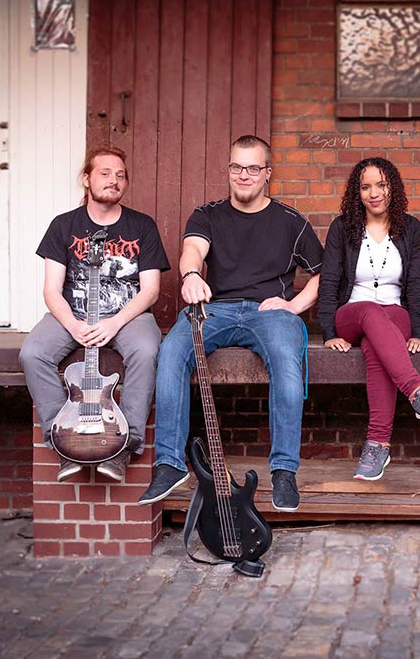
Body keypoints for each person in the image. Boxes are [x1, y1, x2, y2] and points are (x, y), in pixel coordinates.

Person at [138, 135, 323, 511]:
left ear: (267, 173)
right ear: (228, 169)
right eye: (237, 166)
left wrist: (293, 306)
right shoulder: (208, 215)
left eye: (253, 168)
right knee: (171, 351)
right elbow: (193, 248)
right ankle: (170, 464)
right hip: (216, 309)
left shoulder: (290, 222)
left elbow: (324, 273)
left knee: (287, 364)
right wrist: (191, 274)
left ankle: (284, 471)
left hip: (270, 313)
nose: (243, 175)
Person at [19, 147, 170, 482]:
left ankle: (125, 445)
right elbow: (51, 290)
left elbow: (150, 290)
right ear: (86, 179)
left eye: (120, 175)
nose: (113, 180)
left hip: (127, 316)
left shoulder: (142, 226)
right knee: (33, 353)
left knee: (146, 351)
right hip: (73, 312)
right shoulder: (64, 225)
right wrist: (73, 325)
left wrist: (114, 322)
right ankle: (63, 441)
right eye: (105, 173)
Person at [318, 157, 420, 481]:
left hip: (395, 316)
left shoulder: (410, 228)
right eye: (366, 187)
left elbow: (416, 284)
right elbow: (329, 282)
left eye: (381, 185)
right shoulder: (342, 228)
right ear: (357, 192)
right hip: (352, 315)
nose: (374, 193)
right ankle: (418, 392)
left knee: (376, 346)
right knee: (369, 310)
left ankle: (377, 444)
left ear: (393, 187)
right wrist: (328, 332)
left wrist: (418, 331)